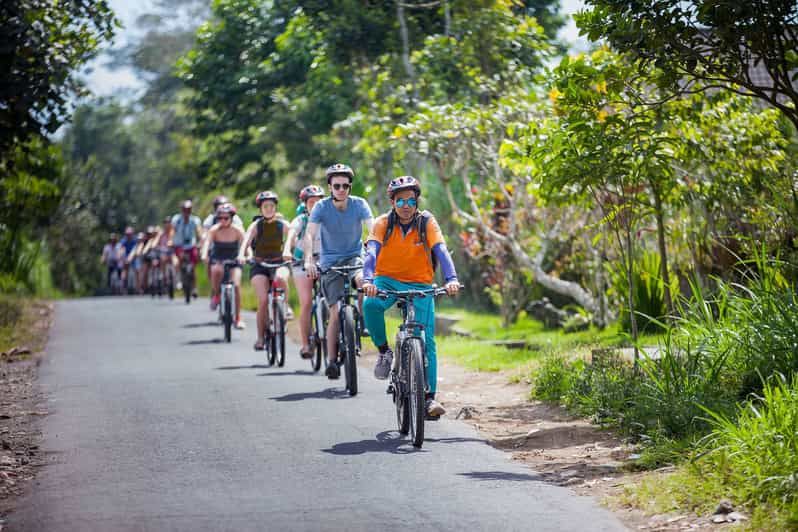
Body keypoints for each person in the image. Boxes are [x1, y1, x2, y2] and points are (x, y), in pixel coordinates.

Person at [362, 176, 460, 417]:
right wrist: (367, 280)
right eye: (400, 200)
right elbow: (372, 252)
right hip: (387, 279)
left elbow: (441, 250)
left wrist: (451, 279)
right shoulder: (383, 223)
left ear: (417, 201)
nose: (406, 205)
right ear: (393, 202)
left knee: (427, 339)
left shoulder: (427, 221)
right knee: (371, 304)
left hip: (421, 283)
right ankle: (384, 351)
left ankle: (429, 399)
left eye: (411, 200)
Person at [304, 163, 374, 379]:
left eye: (345, 185)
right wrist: (309, 261)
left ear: (350, 187)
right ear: (330, 187)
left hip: (355, 257)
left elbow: (373, 230)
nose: (341, 189)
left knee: (363, 281)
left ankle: (363, 321)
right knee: (335, 313)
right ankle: (332, 361)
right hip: (329, 263)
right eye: (337, 186)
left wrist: (374, 252)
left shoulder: (360, 204)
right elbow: (309, 234)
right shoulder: (321, 207)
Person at [238, 191, 290, 350]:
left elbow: (293, 239)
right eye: (265, 206)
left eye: (271, 206)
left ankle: (285, 308)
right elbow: (246, 240)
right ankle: (261, 338)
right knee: (262, 300)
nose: (268, 209)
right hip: (259, 264)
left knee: (281, 279)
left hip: (279, 262)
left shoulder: (283, 224)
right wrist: (242, 254)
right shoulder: (256, 225)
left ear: (275, 207)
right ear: (260, 209)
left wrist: (291, 252)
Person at [282, 184, 325, 359]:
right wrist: (286, 250)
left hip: (325, 262)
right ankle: (306, 344)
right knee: (306, 302)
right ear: (305, 204)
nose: (315, 205)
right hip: (302, 263)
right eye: (311, 202)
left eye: (318, 202)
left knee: (333, 300)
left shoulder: (329, 218)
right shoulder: (301, 220)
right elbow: (292, 233)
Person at [202, 203, 247, 329]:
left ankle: (238, 317)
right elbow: (207, 244)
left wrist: (246, 255)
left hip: (234, 260)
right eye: (220, 218)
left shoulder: (237, 230)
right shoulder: (214, 230)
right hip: (218, 259)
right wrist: (204, 254)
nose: (222, 221)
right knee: (215, 270)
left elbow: (245, 246)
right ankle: (216, 294)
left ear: (232, 218)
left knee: (236, 285)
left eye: (226, 218)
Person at [170, 200, 203, 297]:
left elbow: (199, 231)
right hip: (179, 245)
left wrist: (201, 241)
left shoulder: (195, 220)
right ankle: (179, 279)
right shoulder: (177, 219)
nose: (186, 212)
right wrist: (171, 240)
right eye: (184, 210)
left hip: (191, 245)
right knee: (179, 260)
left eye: (188, 210)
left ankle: (194, 288)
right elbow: (172, 230)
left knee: (192, 267)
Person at [118, 226, 138, 292]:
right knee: (124, 269)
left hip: (134, 256)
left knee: (137, 270)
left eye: (130, 234)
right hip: (125, 257)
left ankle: (137, 286)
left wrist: (131, 258)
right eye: (127, 234)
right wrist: (121, 257)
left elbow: (135, 250)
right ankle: (123, 285)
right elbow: (121, 249)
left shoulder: (135, 240)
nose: (128, 236)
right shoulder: (123, 240)